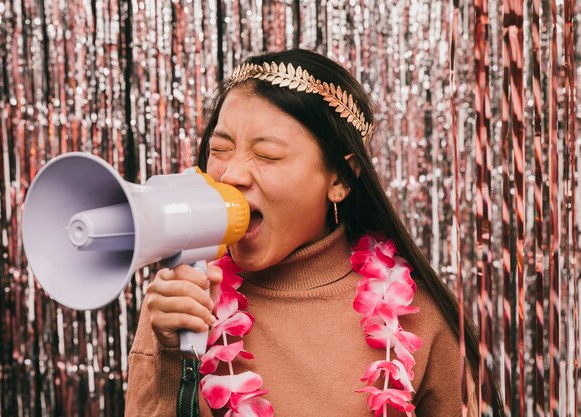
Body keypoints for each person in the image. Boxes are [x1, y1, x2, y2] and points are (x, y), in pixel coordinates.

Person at [125, 48, 503, 416]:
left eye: (267, 154)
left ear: (339, 178)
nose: (231, 174)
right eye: (220, 149)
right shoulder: (182, 300)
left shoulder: (418, 316)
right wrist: (174, 358)